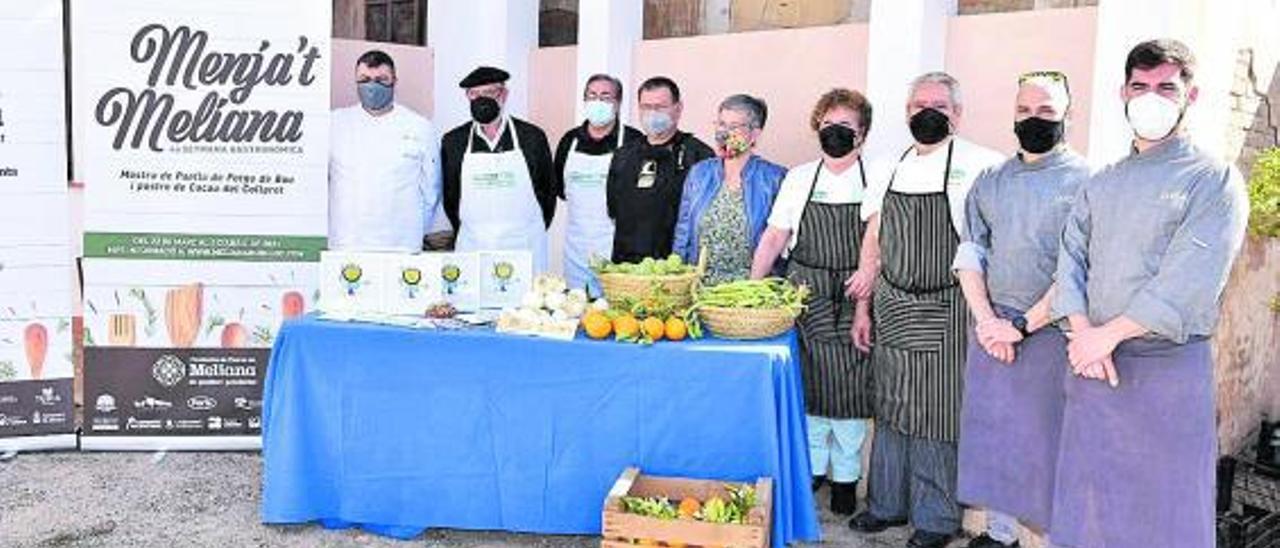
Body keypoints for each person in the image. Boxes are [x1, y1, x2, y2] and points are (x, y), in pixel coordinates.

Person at [1050, 39, 1248, 548]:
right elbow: (1070, 261)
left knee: (1165, 514)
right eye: (1140, 86)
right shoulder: (1103, 181)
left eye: (1166, 86)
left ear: (1191, 95)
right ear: (1123, 91)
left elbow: (1190, 276)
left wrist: (1104, 338)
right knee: (1089, 503)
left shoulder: (1213, 180)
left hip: (1165, 370)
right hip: (1091, 367)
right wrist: (1082, 335)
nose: (1151, 97)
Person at [848, 72, 1004, 548]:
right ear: (906, 111)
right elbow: (873, 237)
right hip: (893, 302)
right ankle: (886, 505)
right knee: (892, 408)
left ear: (957, 113)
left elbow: (990, 243)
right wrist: (863, 307)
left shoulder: (985, 166)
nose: (926, 112)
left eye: (938, 104)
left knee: (938, 412)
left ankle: (936, 519)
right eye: (918, 105)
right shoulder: (888, 167)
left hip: (950, 304)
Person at [951, 72, 1089, 548]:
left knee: (1043, 441)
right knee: (995, 438)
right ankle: (998, 533)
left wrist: (1023, 327)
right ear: (1013, 114)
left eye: (1047, 111)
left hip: (1050, 331)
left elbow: (1075, 268)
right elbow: (971, 252)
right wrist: (988, 321)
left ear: (1069, 116)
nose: (1035, 119)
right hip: (992, 329)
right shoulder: (991, 180)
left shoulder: (1088, 183)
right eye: (1026, 110)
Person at [750, 88, 875, 516]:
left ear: (862, 134)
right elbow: (775, 236)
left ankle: (846, 477)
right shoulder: (801, 177)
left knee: (852, 392)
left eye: (846, 127)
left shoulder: (877, 177)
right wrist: (753, 286)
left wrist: (865, 290)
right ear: (816, 128)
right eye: (828, 126)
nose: (835, 134)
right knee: (813, 386)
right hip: (807, 292)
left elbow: (879, 242)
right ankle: (814, 470)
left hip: (857, 293)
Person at [441, 66, 556, 271]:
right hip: (474, 246)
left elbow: (548, 192)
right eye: (475, 94)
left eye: (489, 93)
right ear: (467, 97)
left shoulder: (531, 137)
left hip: (524, 245)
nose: (481, 100)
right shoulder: (454, 142)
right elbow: (451, 197)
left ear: (504, 94)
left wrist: (527, 229)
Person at [329, 50, 441, 251]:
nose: (372, 86)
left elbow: (432, 189)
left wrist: (414, 229)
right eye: (364, 79)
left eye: (381, 79)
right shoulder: (334, 123)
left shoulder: (419, 126)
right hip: (347, 241)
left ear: (394, 81)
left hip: (401, 243)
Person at [672, 94, 786, 283]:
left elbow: (779, 241)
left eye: (733, 127)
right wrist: (677, 277)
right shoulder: (700, 173)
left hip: (749, 291)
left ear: (755, 134)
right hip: (698, 288)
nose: (724, 133)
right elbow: (683, 234)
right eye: (721, 124)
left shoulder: (774, 179)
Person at [607, 77, 715, 264]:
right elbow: (613, 207)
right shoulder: (624, 155)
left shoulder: (699, 156)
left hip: (675, 268)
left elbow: (706, 218)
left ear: (678, 108)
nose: (652, 113)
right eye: (646, 107)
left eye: (660, 107)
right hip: (626, 266)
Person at [553, 74, 644, 293]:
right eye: (592, 96)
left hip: (618, 250)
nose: (598, 102)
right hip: (577, 249)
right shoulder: (569, 141)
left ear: (618, 103)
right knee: (578, 310)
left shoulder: (635, 142)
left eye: (605, 97)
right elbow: (559, 190)